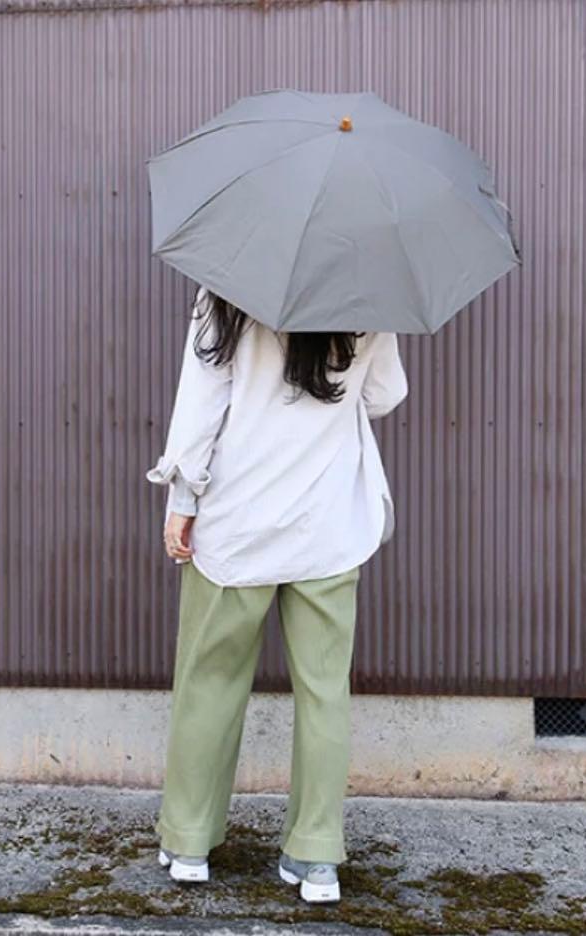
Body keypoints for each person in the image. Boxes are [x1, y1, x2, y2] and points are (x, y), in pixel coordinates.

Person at [147, 285, 408, 903]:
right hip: (328, 522)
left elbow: (203, 398)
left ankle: (188, 841)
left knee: (209, 679)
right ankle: (316, 858)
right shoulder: (366, 291)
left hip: (239, 519)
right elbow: (384, 396)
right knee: (324, 692)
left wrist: (182, 500)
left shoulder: (230, 286)